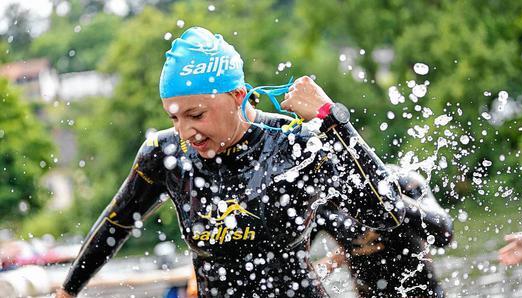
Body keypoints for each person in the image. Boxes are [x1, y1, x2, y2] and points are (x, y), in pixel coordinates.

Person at [55, 27, 406, 298]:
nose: (185, 132)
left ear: (237, 96)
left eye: (195, 114)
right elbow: (114, 225)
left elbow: (387, 213)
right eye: (174, 118)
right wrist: (68, 290)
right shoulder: (163, 155)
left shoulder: (293, 143)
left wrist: (332, 120)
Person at [311, 166, 453, 297]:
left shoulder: (400, 181)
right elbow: (293, 267)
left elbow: (444, 235)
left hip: (423, 292)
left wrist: (389, 199)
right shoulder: (320, 203)